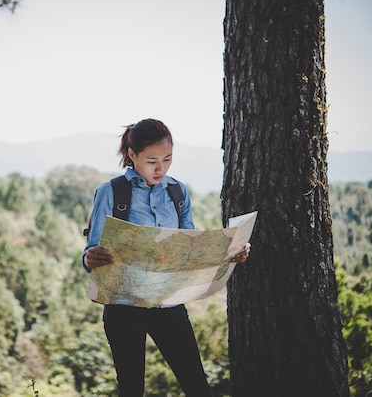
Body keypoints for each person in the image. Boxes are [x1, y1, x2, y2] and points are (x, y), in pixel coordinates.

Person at [83, 118, 250, 396]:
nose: (160, 168)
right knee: (131, 389)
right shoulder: (111, 192)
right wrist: (90, 258)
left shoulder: (177, 192)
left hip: (168, 304)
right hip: (123, 307)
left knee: (197, 385)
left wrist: (230, 254)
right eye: (152, 161)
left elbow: (191, 250)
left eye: (167, 159)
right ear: (132, 155)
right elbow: (92, 250)